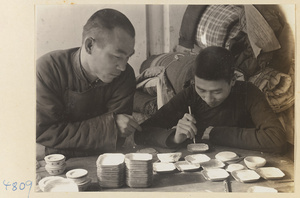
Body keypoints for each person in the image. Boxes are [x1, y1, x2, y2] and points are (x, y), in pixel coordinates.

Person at [135, 46, 287, 154]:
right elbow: (141, 133)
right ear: (194, 82)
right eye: (202, 90)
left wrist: (214, 133)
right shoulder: (190, 94)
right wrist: (174, 138)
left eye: (217, 91)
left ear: (232, 80)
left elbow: (276, 138)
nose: (208, 98)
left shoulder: (249, 92)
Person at [36, 9, 141, 158]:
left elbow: (114, 142)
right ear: (89, 45)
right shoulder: (47, 70)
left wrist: (48, 150)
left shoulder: (125, 76)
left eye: (128, 57)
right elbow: (43, 133)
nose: (123, 67)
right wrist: (108, 128)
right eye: (117, 56)